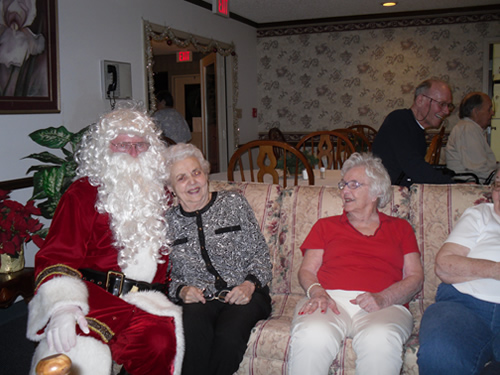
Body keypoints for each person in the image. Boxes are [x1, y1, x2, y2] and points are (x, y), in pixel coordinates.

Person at [26, 105, 184, 375]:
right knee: (71, 353)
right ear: (105, 149)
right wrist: (64, 305)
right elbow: (55, 256)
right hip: (92, 295)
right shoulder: (83, 193)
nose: (134, 152)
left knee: (158, 343)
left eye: (141, 145)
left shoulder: (164, 195)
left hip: (148, 299)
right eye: (123, 145)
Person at [287, 152, 423, 375]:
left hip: (384, 304)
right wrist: (317, 292)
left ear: (376, 191)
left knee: (381, 340)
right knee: (311, 334)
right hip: (329, 300)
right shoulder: (325, 226)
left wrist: (385, 297)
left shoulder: (400, 228)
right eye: (343, 185)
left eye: (353, 185)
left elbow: (415, 277)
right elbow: (307, 270)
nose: (344, 191)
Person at [164, 143, 272, 375]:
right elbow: (167, 276)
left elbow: (260, 253)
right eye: (181, 178)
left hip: (245, 293)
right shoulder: (167, 223)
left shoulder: (233, 203)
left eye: (196, 172)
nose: (192, 182)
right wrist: (182, 290)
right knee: (192, 331)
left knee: (229, 337)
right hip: (201, 299)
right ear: (171, 187)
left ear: (205, 174)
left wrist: (248, 285)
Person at [417, 167, 500, 375]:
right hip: (463, 306)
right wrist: (496, 270)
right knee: (439, 352)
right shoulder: (480, 214)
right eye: (498, 185)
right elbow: (444, 266)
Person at [372, 78, 455, 186]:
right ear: (420, 100)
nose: (447, 111)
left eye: (449, 105)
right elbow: (415, 168)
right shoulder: (398, 120)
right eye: (442, 104)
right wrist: (454, 184)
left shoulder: (416, 129)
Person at [445, 92, 497, 182]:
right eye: (489, 109)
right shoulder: (468, 129)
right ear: (476, 111)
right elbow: (478, 168)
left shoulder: (469, 128)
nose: (492, 113)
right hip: (472, 184)